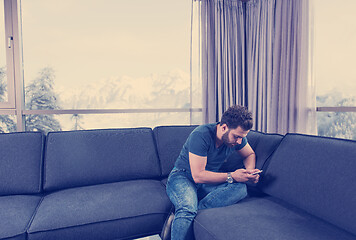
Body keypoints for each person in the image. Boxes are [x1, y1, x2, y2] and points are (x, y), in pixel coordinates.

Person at [164, 105, 260, 240]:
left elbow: (249, 154)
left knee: (241, 188)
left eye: (242, 137)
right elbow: (198, 176)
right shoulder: (201, 135)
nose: (239, 141)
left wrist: (248, 173)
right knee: (187, 208)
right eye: (236, 136)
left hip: (210, 180)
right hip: (184, 176)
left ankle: (191, 212)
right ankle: (186, 212)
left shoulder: (238, 138)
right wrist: (232, 176)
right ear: (224, 127)